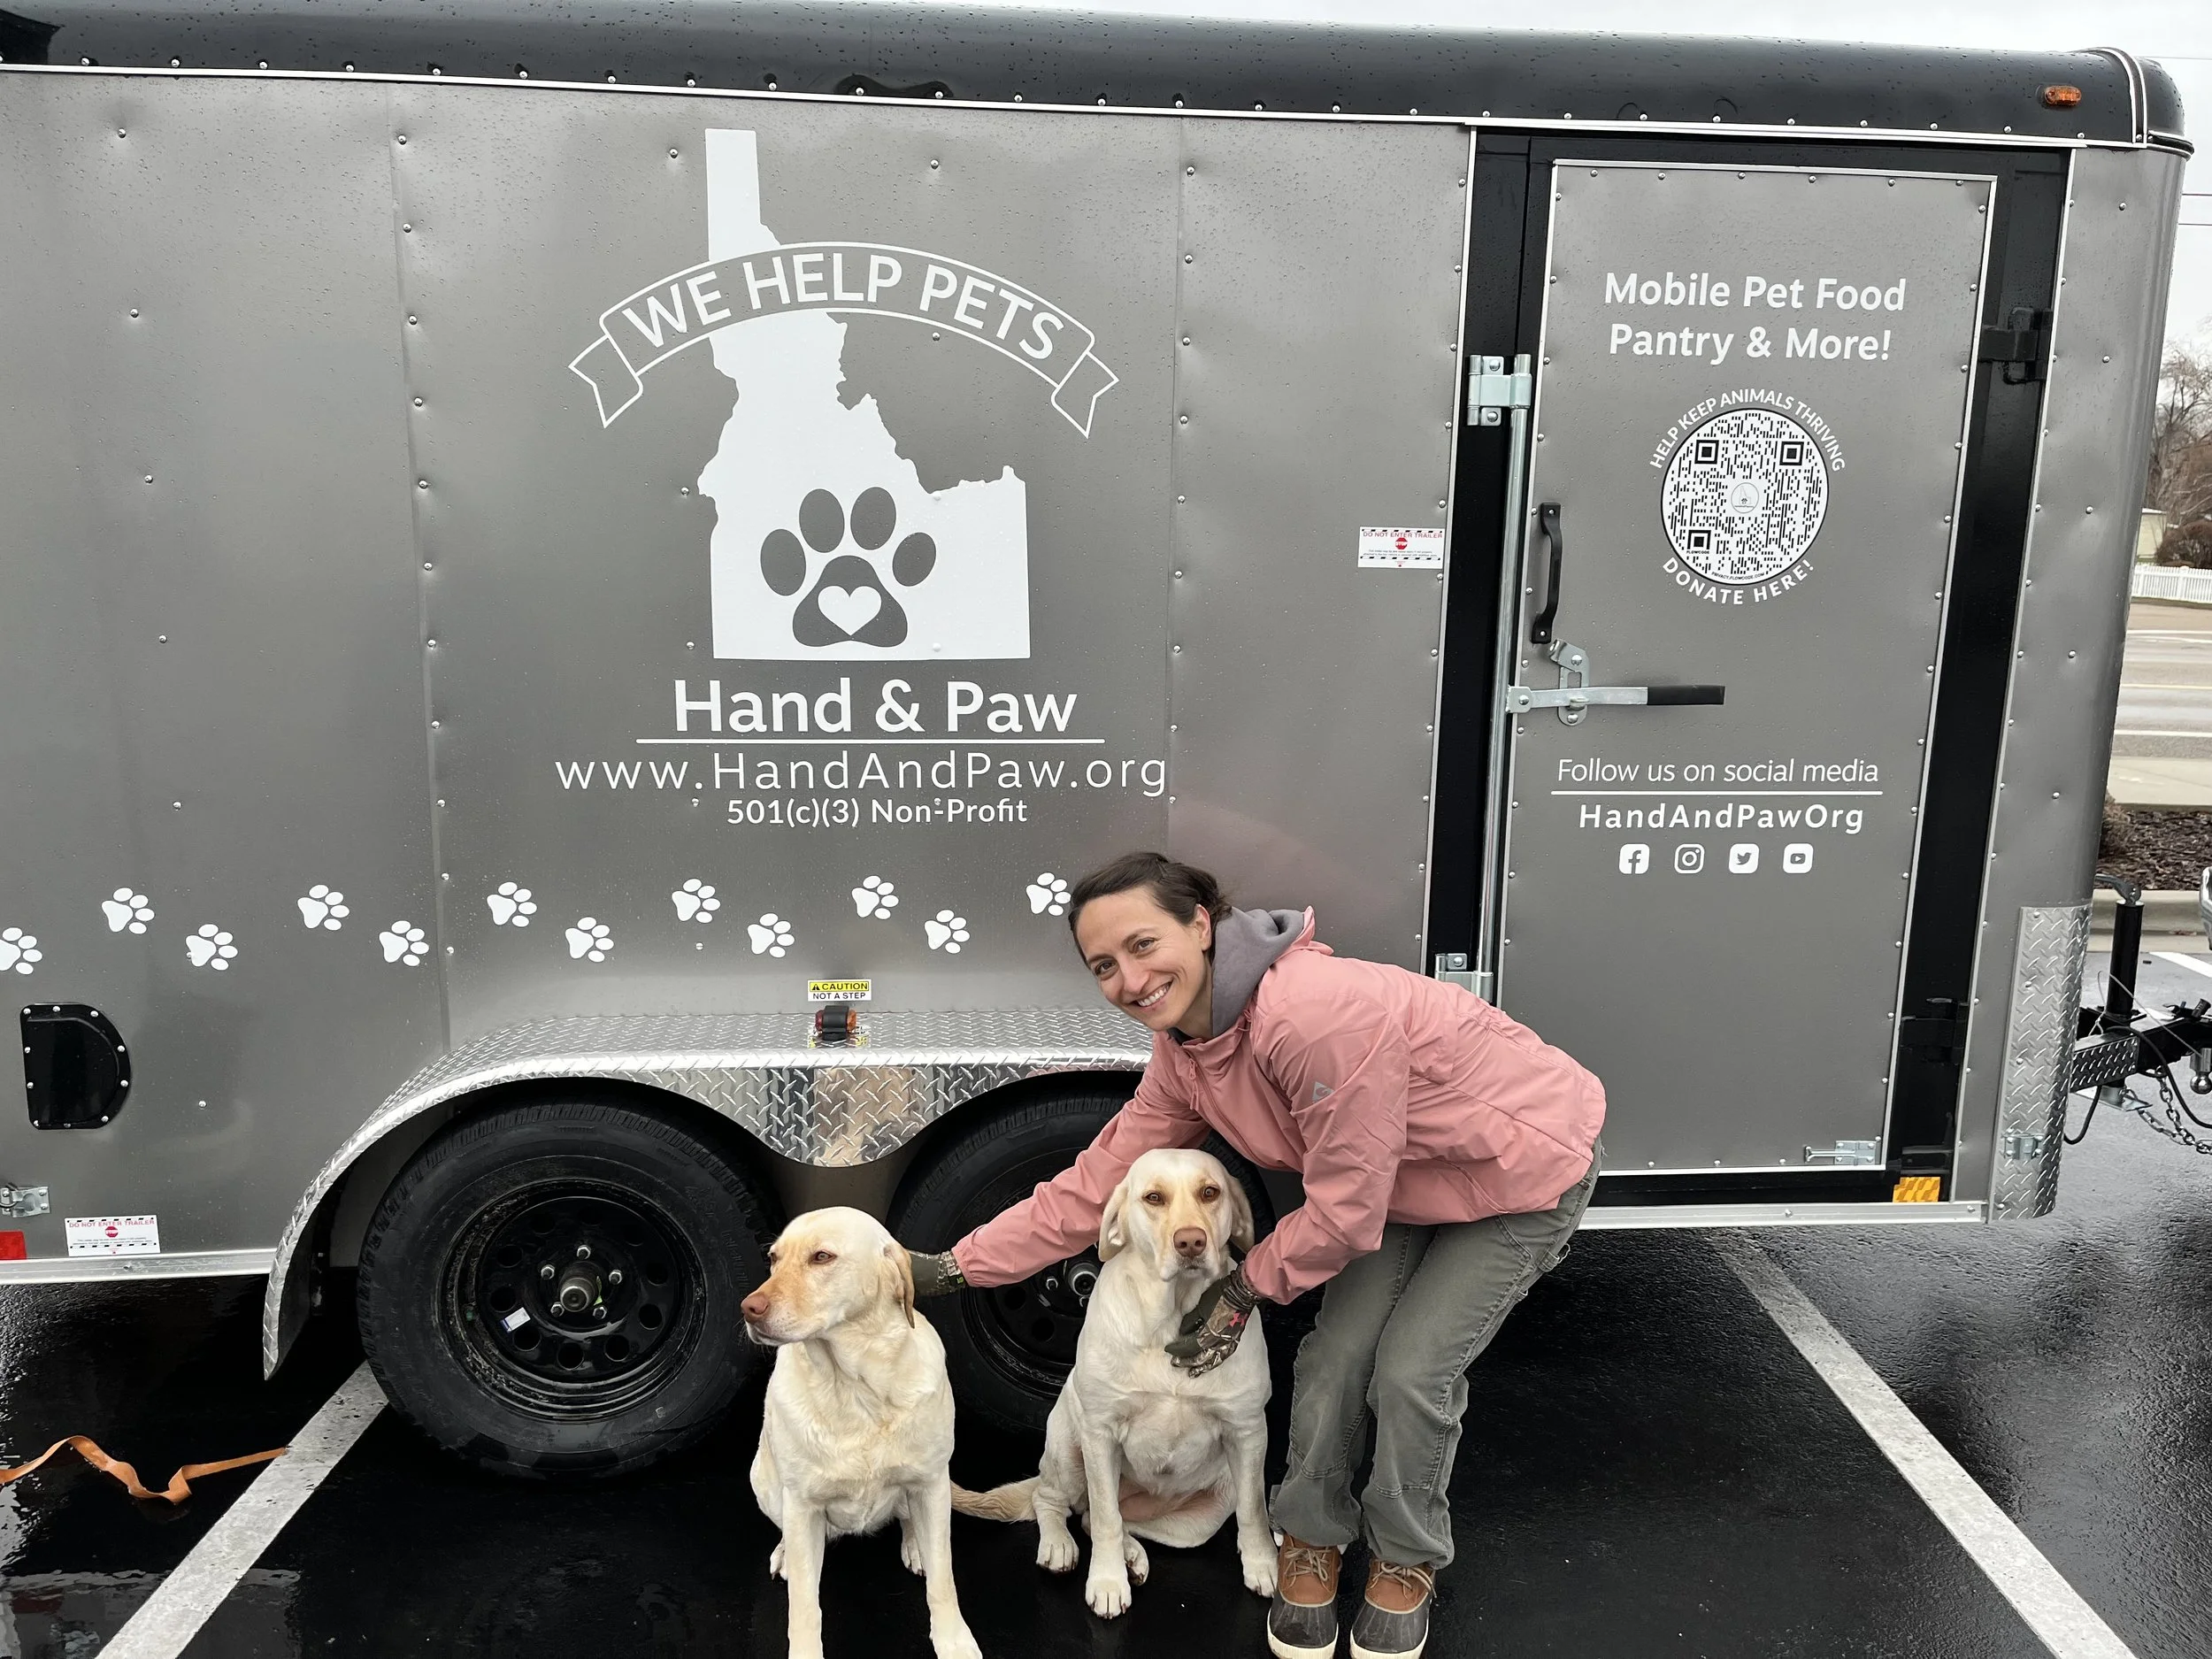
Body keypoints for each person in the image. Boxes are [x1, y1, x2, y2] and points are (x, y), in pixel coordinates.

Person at [905, 851, 1605, 1659]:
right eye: (1104, 965)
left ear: (1200, 925)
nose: (1130, 979)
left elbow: (1343, 1210)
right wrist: (953, 1266)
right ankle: (1310, 1532)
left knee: (1412, 1369)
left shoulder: (1312, 1016)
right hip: (1404, 1181)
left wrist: (1239, 1290)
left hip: (1524, 1169)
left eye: (1142, 945)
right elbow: (1094, 1186)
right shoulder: (1188, 1054)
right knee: (1338, 1354)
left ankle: (1406, 1557)